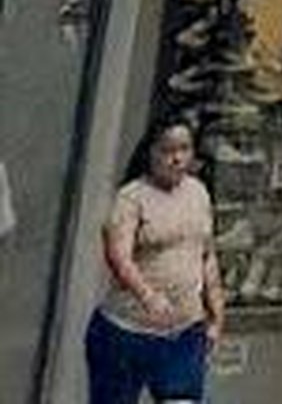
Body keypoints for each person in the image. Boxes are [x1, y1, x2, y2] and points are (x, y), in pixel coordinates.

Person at [87, 112, 221, 404]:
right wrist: (147, 295)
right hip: (127, 331)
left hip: (184, 331)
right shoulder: (131, 198)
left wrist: (216, 314)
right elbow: (118, 257)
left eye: (183, 150)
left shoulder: (198, 193)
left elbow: (207, 255)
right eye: (167, 151)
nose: (176, 159)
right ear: (151, 152)